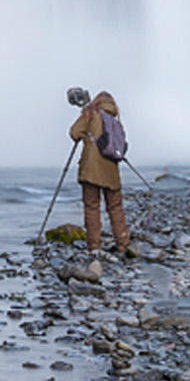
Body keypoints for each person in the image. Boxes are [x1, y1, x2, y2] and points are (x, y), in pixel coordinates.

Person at [67, 85, 132, 258]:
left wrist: (84, 121)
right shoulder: (115, 122)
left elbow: (74, 133)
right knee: (116, 207)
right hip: (111, 171)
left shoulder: (90, 114)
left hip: (90, 171)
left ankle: (95, 247)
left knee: (92, 207)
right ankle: (123, 244)